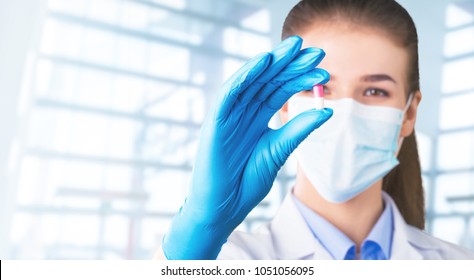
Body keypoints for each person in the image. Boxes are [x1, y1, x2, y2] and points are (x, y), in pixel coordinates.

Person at [156, 0, 474, 260]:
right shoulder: (226, 262)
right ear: (283, 104)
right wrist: (195, 237)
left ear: (409, 113)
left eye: (375, 92)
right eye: (319, 88)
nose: (346, 114)